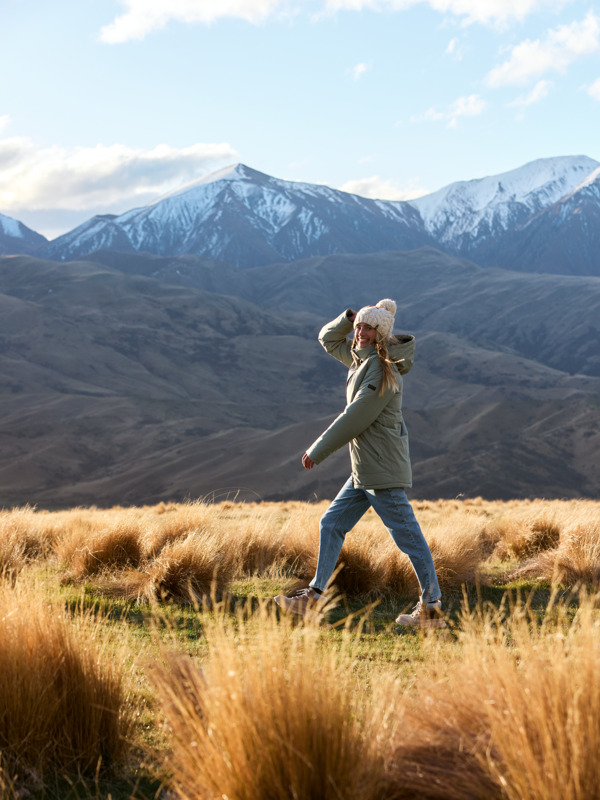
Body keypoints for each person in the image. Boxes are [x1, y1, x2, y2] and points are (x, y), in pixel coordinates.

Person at [275, 299, 445, 628]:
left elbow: (357, 417)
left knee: (409, 538)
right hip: (363, 470)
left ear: (381, 334)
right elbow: (327, 338)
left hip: (379, 470)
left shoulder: (383, 372)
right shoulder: (360, 360)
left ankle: (432, 608)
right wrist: (350, 318)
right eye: (358, 329)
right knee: (331, 523)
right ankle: (315, 597)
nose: (359, 333)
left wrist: (318, 449)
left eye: (368, 328)